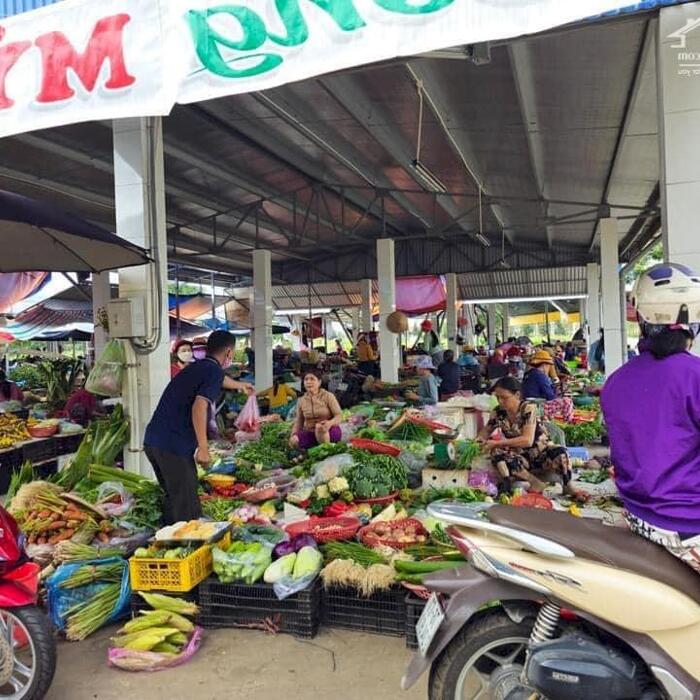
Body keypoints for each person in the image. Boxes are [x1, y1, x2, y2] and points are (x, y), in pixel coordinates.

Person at [601, 262, 700, 573]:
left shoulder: (616, 382)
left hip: (638, 516)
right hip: (687, 523)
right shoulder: (694, 375)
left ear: (641, 318)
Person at [144, 331, 254, 524]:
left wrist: (239, 385)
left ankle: (169, 546)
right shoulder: (212, 371)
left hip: (154, 442)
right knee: (187, 509)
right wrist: (203, 448)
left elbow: (219, 379)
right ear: (229, 352)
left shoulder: (200, 367)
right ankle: (186, 549)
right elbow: (199, 406)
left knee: (175, 501)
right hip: (173, 445)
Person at [478, 376, 582, 498]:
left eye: (504, 398)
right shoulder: (498, 412)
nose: (500, 401)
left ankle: (567, 485)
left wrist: (497, 443)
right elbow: (486, 430)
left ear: (517, 395)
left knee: (561, 452)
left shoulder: (528, 408)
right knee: (497, 454)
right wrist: (478, 441)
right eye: (497, 397)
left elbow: (527, 440)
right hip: (522, 458)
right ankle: (534, 482)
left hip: (542, 454)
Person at [289, 370, 342, 449]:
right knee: (294, 441)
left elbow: (339, 415)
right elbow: (299, 421)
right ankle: (309, 450)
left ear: (319, 382)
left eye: (312, 379)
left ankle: (326, 451)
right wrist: (293, 435)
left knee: (319, 427)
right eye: (306, 379)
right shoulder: (301, 400)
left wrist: (330, 423)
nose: (308, 382)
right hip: (311, 433)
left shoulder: (328, 396)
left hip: (329, 431)